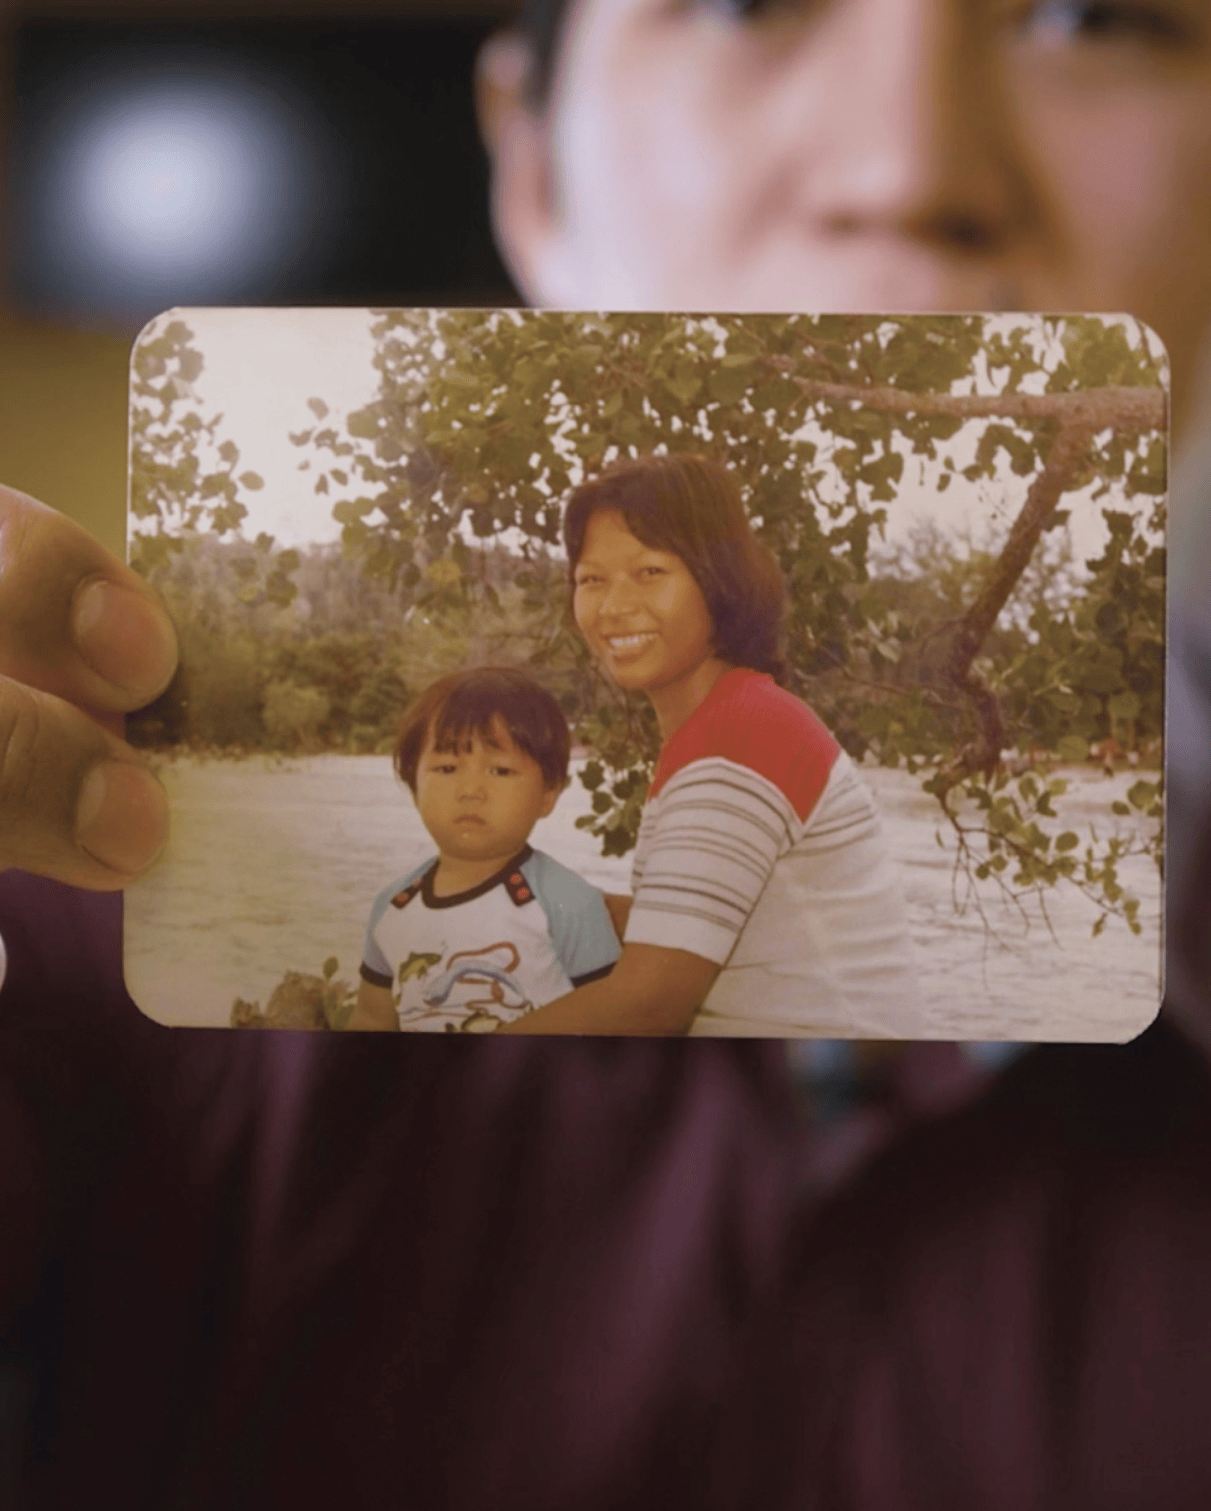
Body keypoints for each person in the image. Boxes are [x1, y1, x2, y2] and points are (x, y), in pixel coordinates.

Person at [2, 0, 1211, 1504]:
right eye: (736, 6)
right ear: (531, 176)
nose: (906, 164)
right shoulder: (94, 878)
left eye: (1089, 16)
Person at [502, 453, 921, 1037]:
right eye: (591, 580)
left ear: (716, 581)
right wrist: (514, 902)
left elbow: (646, 1006)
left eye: (650, 572)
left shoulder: (742, 736)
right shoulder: (731, 720)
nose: (614, 606)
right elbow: (682, 928)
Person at [347, 666, 620, 1032]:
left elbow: (613, 1018)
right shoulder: (392, 906)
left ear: (548, 794)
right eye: (446, 768)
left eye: (501, 771)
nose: (470, 790)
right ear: (415, 788)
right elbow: (371, 1018)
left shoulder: (566, 902)